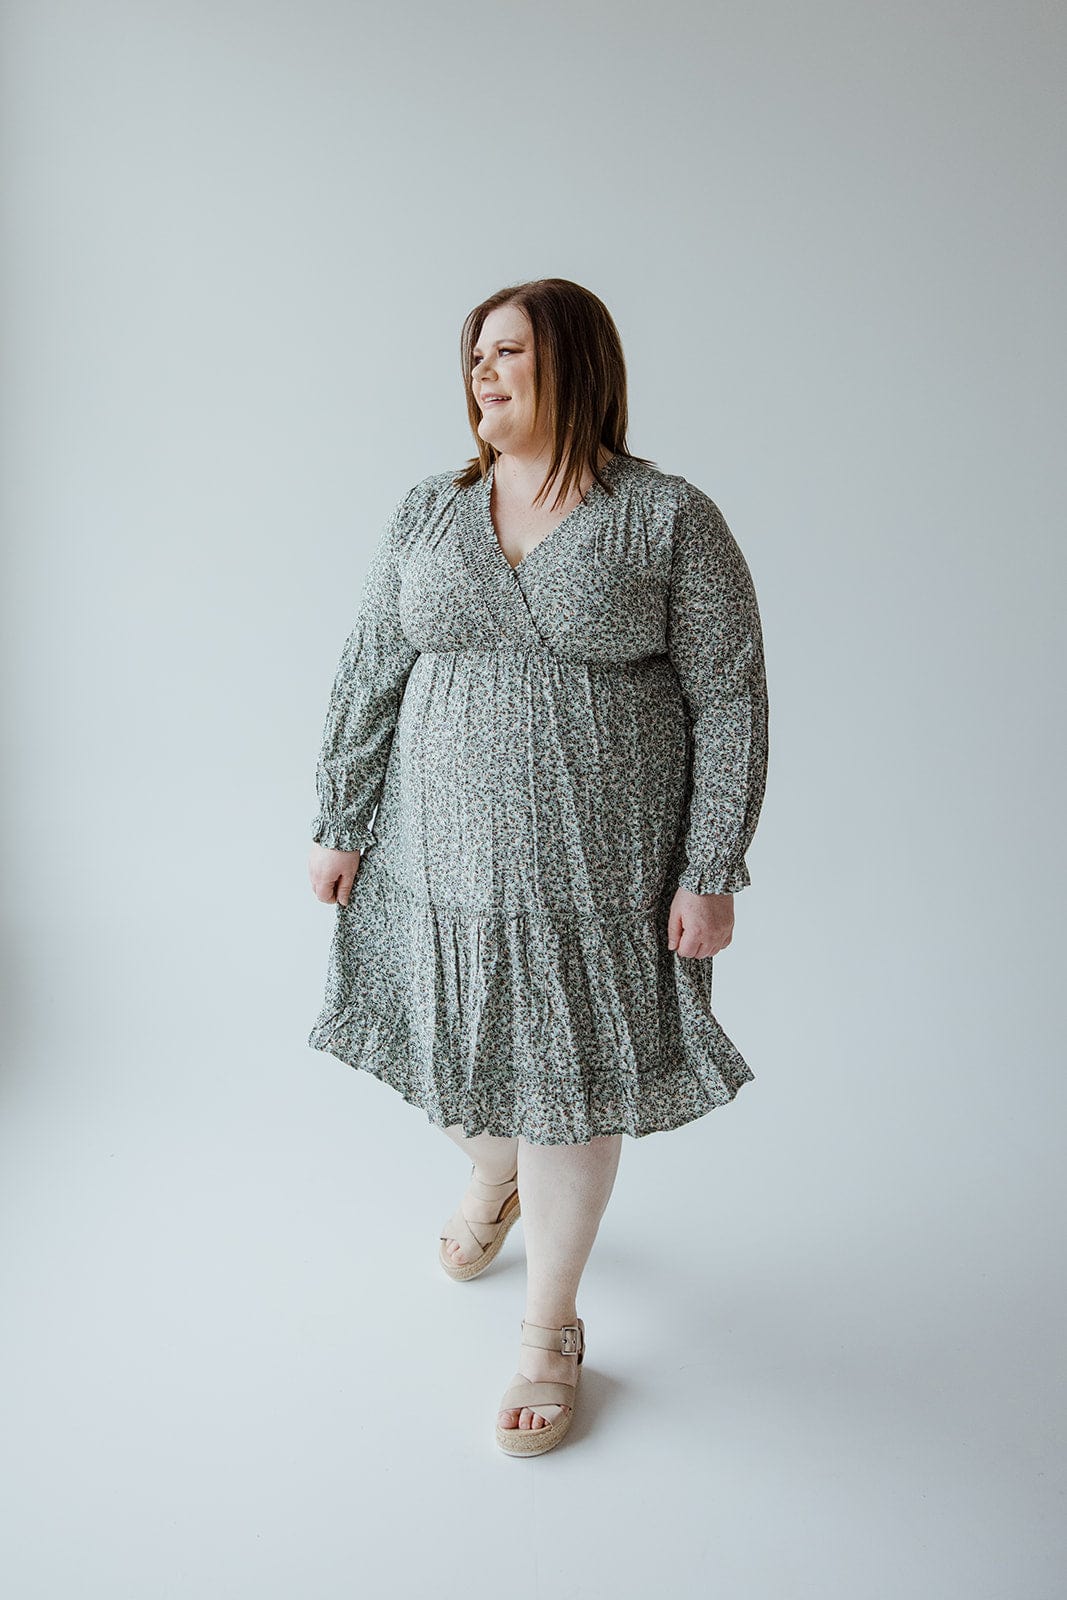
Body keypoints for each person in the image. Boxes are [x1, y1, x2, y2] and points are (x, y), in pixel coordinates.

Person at [306, 277, 770, 1457]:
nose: (483, 373)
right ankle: (493, 1172)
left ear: (575, 362)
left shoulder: (665, 517)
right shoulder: (427, 510)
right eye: (474, 356)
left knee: (567, 1082)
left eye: (508, 351)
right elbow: (368, 666)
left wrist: (710, 863)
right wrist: (339, 815)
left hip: (598, 884)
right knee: (447, 1057)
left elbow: (729, 698)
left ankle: (547, 1329)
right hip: (435, 872)